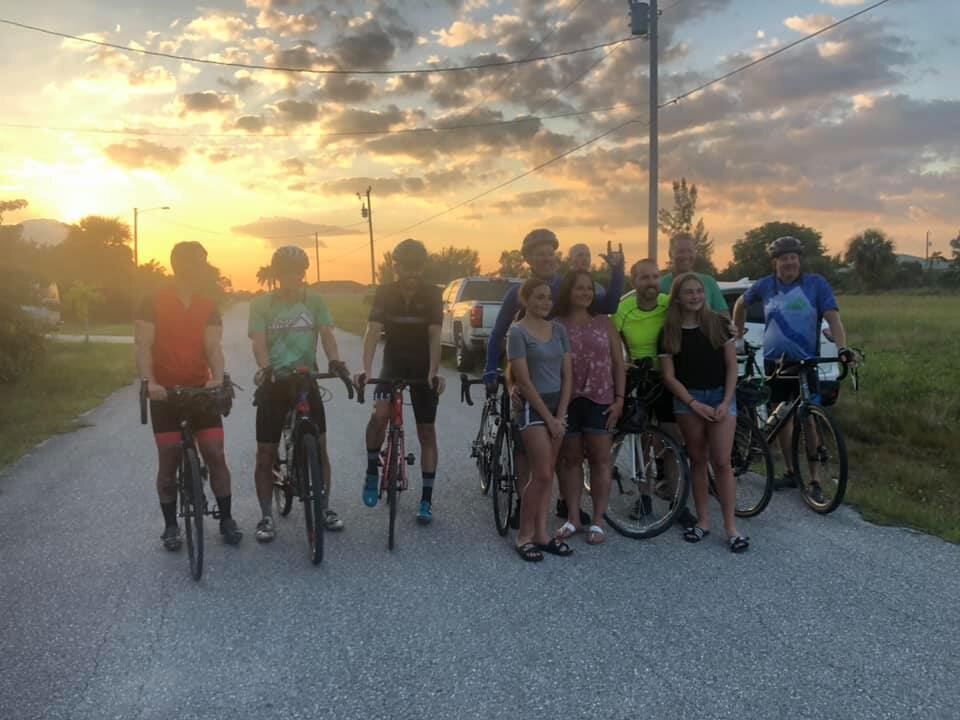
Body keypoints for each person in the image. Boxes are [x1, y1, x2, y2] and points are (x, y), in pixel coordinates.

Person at [135, 241, 242, 550]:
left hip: (199, 390)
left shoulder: (207, 305)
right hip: (164, 393)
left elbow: (213, 348)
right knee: (168, 462)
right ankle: (170, 526)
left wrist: (218, 378)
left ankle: (226, 519)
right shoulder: (151, 301)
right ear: (177, 265)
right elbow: (143, 345)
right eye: (192, 262)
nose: (197, 268)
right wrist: (150, 382)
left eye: (200, 263)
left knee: (215, 452)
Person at [732, 236, 856, 497]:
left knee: (809, 418)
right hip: (774, 362)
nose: (789, 262)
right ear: (775, 262)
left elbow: (833, 319)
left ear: (799, 260)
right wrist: (739, 338)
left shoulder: (815, 284)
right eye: (784, 258)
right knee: (781, 419)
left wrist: (843, 348)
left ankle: (814, 481)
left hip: (806, 361)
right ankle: (790, 471)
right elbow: (740, 305)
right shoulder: (766, 286)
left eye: (793, 257)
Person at [248, 245, 349, 542]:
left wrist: (334, 360)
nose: (290, 276)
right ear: (277, 274)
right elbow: (258, 341)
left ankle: (326, 507)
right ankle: (266, 516)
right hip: (275, 382)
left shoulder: (315, 301)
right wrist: (266, 368)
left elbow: (327, 334)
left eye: (296, 271)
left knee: (319, 447)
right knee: (265, 454)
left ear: (303, 273)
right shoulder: (261, 304)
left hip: (306, 381)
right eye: (285, 271)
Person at [354, 238, 445, 525]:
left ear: (422, 268)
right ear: (396, 268)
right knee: (380, 415)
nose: (411, 274)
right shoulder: (385, 293)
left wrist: (433, 371)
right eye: (406, 268)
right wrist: (366, 370)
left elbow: (434, 335)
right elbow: (372, 332)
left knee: (426, 432)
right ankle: (372, 470)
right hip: (393, 363)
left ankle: (426, 500)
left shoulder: (432, 294)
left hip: (421, 365)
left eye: (416, 268)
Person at [658, 273, 749, 553]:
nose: (695, 296)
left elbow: (732, 366)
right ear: (678, 297)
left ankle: (731, 527)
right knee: (698, 460)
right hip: (689, 401)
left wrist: (726, 400)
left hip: (721, 396)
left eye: (699, 291)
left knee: (722, 462)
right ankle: (704, 521)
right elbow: (669, 377)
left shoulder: (719, 324)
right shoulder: (669, 331)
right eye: (689, 292)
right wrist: (693, 403)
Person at [612, 258, 697, 527]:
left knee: (673, 442)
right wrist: (625, 366)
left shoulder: (668, 304)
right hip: (640, 378)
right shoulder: (622, 310)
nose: (651, 282)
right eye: (644, 278)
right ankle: (644, 497)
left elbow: (697, 317)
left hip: (669, 379)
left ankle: (676, 500)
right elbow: (615, 349)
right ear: (633, 282)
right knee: (644, 442)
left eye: (655, 277)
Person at [554, 270, 625, 545]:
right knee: (570, 460)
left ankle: (597, 520)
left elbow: (619, 362)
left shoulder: (605, 323)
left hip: (601, 398)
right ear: (569, 292)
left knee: (600, 460)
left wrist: (619, 399)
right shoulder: (557, 324)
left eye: (589, 288)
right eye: (579, 288)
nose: (585, 293)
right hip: (568, 400)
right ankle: (573, 517)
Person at [507, 278, 573, 561]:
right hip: (533, 409)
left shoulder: (558, 330)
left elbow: (568, 374)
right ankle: (524, 536)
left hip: (558, 406)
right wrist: (549, 418)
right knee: (542, 474)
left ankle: (543, 534)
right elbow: (522, 379)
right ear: (526, 299)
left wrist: (560, 413)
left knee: (548, 478)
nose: (545, 302)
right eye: (538, 297)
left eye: (548, 297)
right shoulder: (517, 333)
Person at [659, 232, 728, 316]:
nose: (686, 256)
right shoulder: (661, 285)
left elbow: (724, 319)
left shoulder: (709, 282)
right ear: (670, 254)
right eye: (681, 251)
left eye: (690, 251)